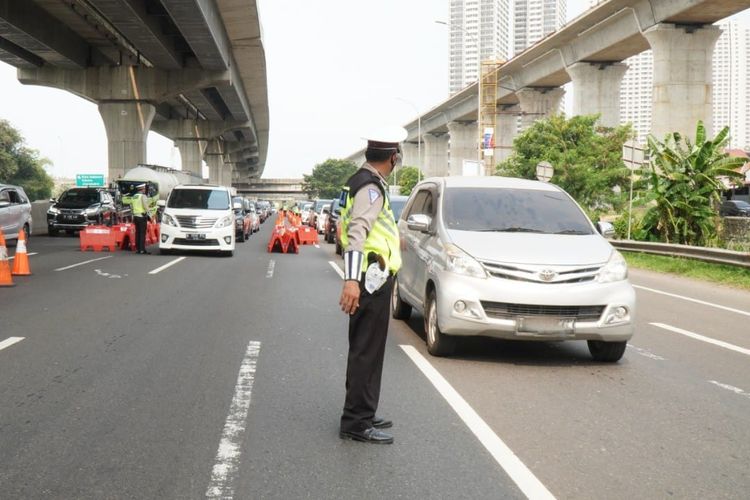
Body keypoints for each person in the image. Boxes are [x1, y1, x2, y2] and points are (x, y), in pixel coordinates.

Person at [338, 126, 407, 444]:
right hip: (370, 279)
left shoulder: (361, 182)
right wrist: (351, 280)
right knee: (366, 351)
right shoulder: (371, 189)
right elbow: (357, 235)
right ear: (393, 157)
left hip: (372, 277)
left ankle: (364, 410)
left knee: (368, 349)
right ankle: (356, 422)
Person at [129, 183, 150, 254]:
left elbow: (131, 207)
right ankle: (142, 249)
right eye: (144, 188)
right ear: (142, 189)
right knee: (142, 233)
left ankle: (138, 249)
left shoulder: (134, 196)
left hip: (135, 216)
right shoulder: (143, 196)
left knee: (137, 233)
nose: (145, 190)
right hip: (142, 216)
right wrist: (149, 214)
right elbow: (145, 206)